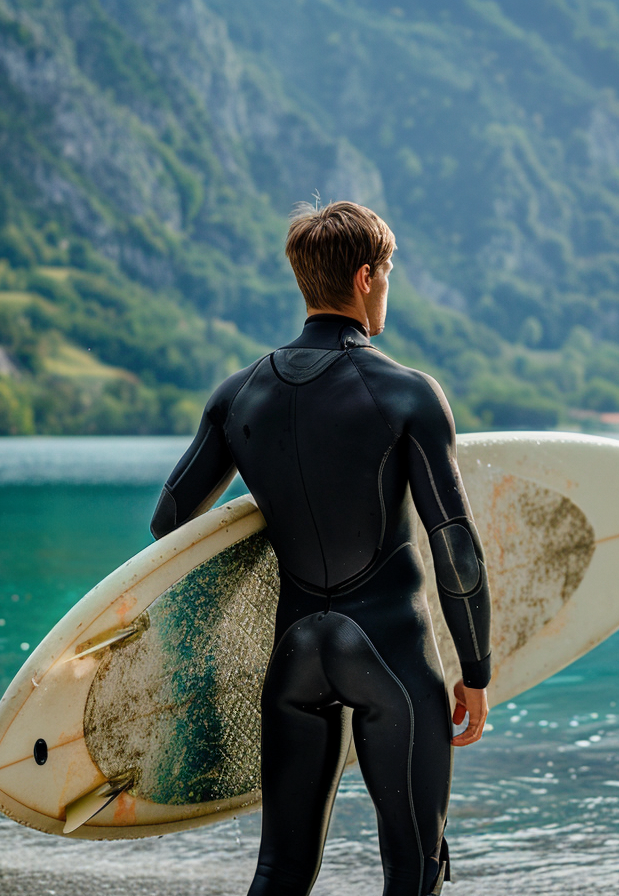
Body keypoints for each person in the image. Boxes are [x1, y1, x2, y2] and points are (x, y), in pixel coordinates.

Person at [150, 200, 492, 896]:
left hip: (294, 656)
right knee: (415, 868)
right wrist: (476, 671)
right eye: (389, 274)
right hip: (389, 653)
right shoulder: (406, 394)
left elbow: (170, 521)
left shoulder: (238, 394)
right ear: (366, 277)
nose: (388, 288)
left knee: (279, 872)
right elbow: (454, 547)